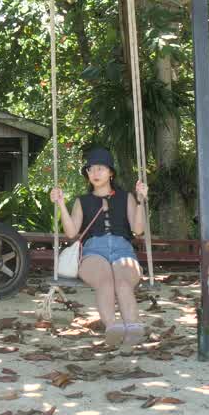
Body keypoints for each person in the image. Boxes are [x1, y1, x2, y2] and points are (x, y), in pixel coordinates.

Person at [50, 147, 148, 348]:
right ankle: (113, 328)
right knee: (105, 282)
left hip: (123, 250)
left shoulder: (126, 197)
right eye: (91, 169)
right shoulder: (82, 201)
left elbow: (138, 230)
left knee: (122, 283)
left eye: (100, 169)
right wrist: (60, 204)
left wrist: (140, 201)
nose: (95, 173)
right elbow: (70, 233)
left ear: (111, 172)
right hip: (94, 250)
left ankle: (133, 328)